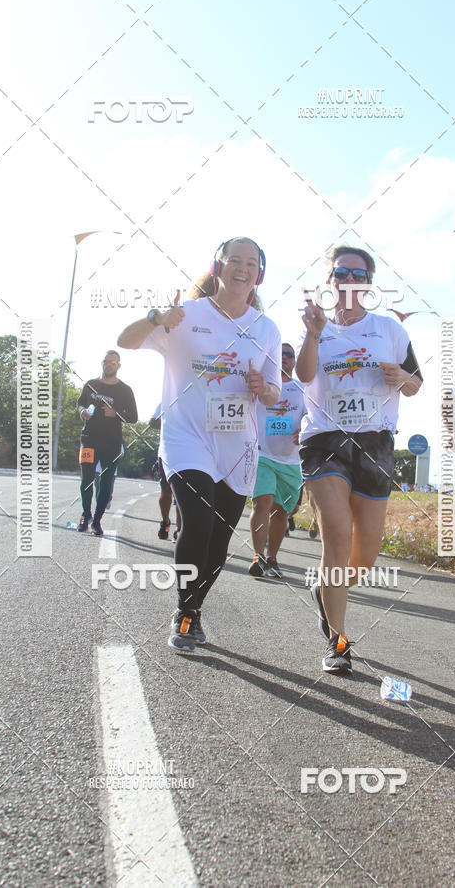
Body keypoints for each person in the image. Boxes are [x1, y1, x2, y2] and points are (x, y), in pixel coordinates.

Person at [118, 237, 281, 652]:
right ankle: (185, 611)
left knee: (219, 541)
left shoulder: (266, 328)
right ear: (217, 267)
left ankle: (195, 606)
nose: (241, 269)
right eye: (233, 261)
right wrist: (157, 316)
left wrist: (263, 388)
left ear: (258, 274)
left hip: (236, 445)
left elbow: (274, 395)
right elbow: (126, 340)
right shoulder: (185, 315)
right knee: (198, 522)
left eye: (250, 263)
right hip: (186, 436)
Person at [296, 245, 422, 675]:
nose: (348, 280)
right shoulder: (317, 326)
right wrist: (313, 335)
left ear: (368, 281)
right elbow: (305, 375)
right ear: (329, 280)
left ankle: (325, 592)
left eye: (357, 273)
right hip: (324, 440)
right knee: (337, 533)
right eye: (340, 273)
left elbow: (415, 384)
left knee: (364, 557)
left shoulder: (389, 329)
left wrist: (403, 378)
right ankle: (338, 640)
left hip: (375, 443)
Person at [248, 342, 306, 578]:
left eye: (289, 355)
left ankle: (272, 557)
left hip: (291, 461)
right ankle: (258, 557)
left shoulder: (303, 390)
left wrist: (303, 429)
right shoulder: (261, 386)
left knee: (282, 512)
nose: (283, 358)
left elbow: (310, 417)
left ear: (294, 361)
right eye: (279, 354)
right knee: (262, 502)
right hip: (262, 454)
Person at [77, 351, 138, 535]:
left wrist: (116, 413)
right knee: (86, 480)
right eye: (106, 361)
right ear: (102, 363)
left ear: (118, 366)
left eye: (113, 362)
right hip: (88, 439)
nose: (109, 365)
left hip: (111, 443)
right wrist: (83, 412)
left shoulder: (125, 390)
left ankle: (97, 520)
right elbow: (80, 404)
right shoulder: (90, 384)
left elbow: (133, 417)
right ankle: (85, 515)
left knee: (105, 483)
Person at [149, 403, 182, 539]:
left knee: (182, 493)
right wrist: (171, 423)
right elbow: (152, 422)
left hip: (190, 453)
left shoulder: (198, 397)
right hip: (167, 452)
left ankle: (180, 529)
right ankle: (165, 522)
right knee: (166, 490)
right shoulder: (167, 399)